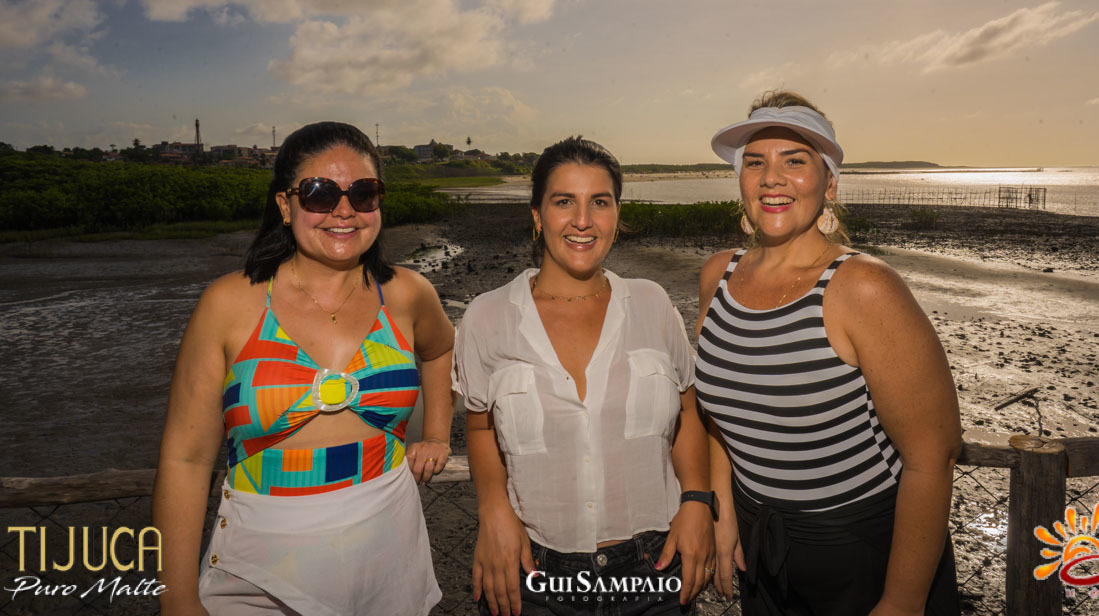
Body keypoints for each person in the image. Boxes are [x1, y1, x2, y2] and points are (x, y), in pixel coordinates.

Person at [154, 122, 454, 616]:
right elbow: (185, 460)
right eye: (319, 193)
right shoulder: (230, 304)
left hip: (388, 550)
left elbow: (441, 350)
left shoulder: (405, 293)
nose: (344, 210)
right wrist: (178, 599)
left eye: (363, 192)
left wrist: (438, 434)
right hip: (260, 571)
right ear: (285, 204)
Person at [697, 92, 961, 616]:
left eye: (794, 161)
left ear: (829, 183)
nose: (771, 177)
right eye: (756, 162)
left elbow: (934, 454)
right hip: (761, 545)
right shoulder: (717, 276)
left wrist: (903, 601)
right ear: (741, 181)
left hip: (861, 551)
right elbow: (720, 416)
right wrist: (723, 510)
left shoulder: (862, 286)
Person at [453, 136, 715, 616]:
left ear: (617, 213)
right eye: (563, 202)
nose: (582, 220)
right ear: (537, 215)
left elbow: (689, 411)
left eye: (600, 201)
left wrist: (698, 500)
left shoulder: (652, 304)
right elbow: (479, 425)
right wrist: (492, 510)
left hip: (655, 568)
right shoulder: (487, 316)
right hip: (535, 571)